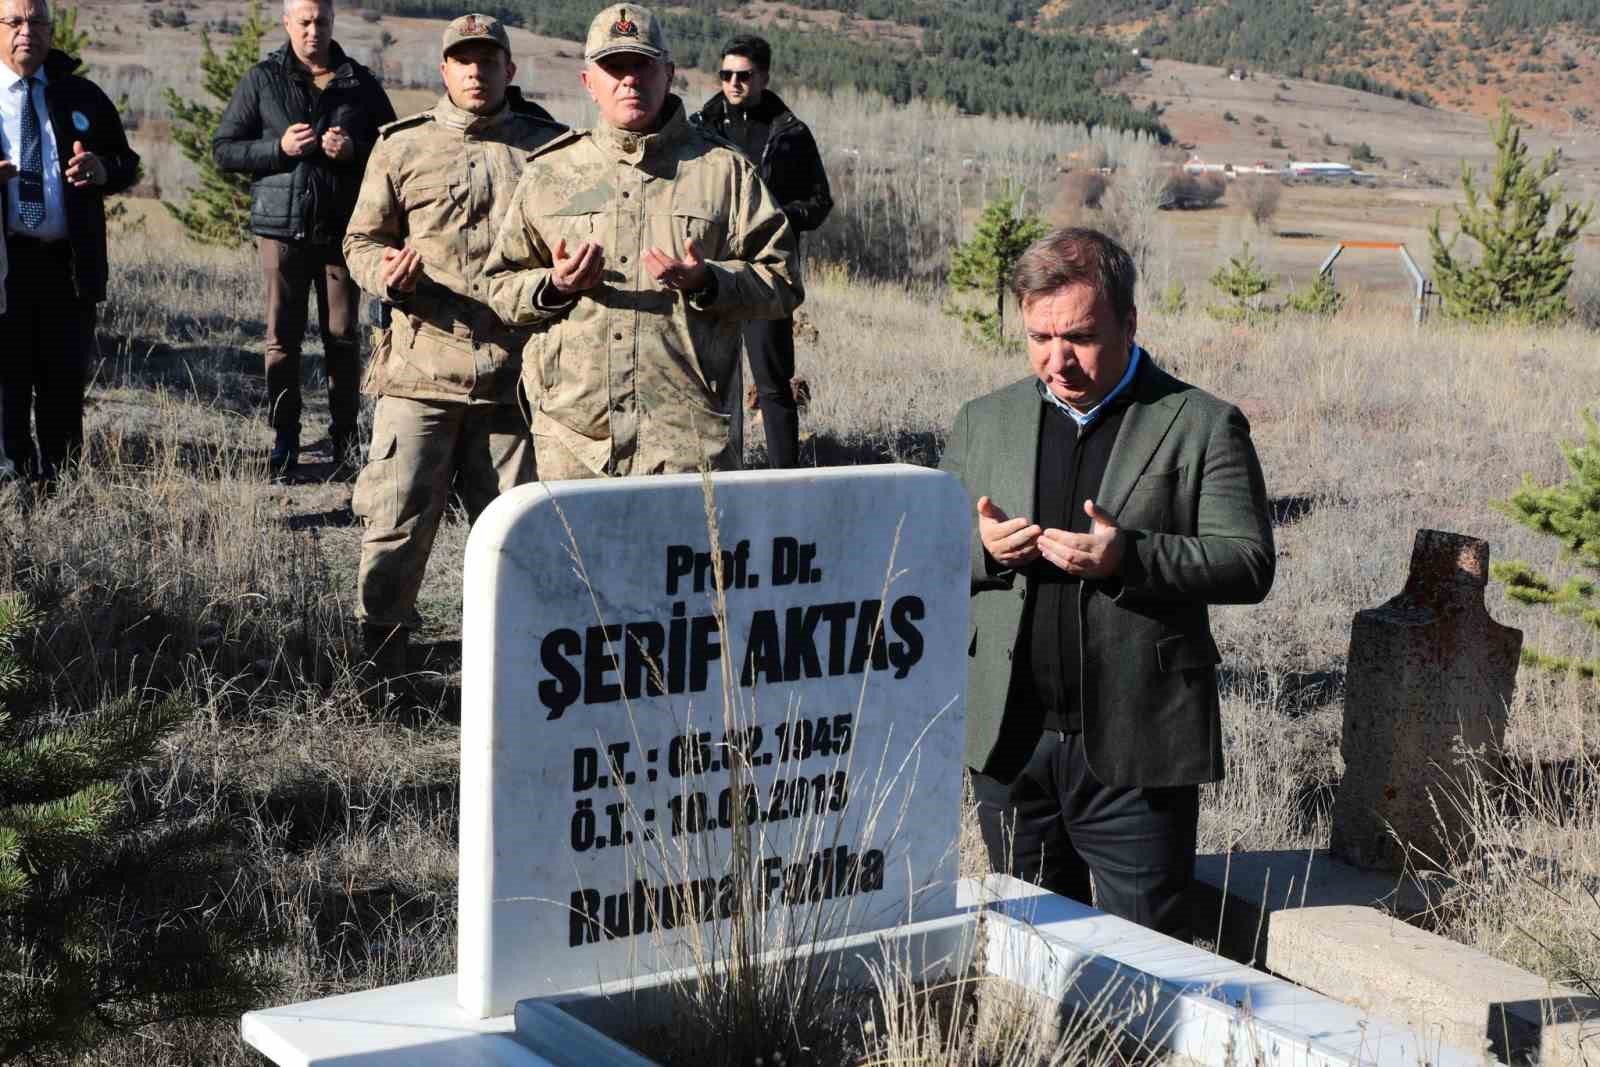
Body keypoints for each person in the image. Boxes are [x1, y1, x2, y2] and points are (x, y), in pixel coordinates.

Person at [939, 228, 1274, 941]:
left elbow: (1248, 562)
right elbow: (921, 555)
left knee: (1143, 962)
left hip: (1135, 750)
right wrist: (984, 551)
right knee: (1027, 950)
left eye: (1081, 337)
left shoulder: (1201, 424)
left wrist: (1131, 557)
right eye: (1039, 336)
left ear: (1129, 322)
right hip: (1011, 744)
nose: (1057, 361)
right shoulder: (983, 421)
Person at [484, 3, 801, 480]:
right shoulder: (549, 174)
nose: (629, 79)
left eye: (642, 65)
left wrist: (708, 282)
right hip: (574, 441)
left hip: (689, 441)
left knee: (689, 557)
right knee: (577, 557)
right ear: (589, 81)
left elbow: (782, 280)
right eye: (614, 67)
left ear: (668, 73)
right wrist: (553, 286)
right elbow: (499, 286)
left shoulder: (723, 171)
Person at [341, 14, 565, 679]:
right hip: (419, 372)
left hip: (515, 380)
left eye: (488, 60)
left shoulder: (549, 150)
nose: (475, 71)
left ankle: (514, 670)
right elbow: (361, 240)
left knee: (518, 533)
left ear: (509, 71)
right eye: (462, 60)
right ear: (444, 70)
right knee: (396, 522)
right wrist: (383, 272)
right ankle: (383, 669)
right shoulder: (400, 148)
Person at [214, 0, 393, 479]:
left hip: (342, 233)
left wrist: (355, 149)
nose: (314, 31)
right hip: (282, 232)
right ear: (288, 24)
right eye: (305, 22)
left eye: (323, 22)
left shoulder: (358, 81)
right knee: (282, 339)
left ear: (333, 23)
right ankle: (285, 441)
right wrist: (279, 148)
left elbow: (395, 149)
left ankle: (346, 441)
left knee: (342, 338)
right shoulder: (263, 79)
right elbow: (225, 150)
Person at [0, 0, 139, 482]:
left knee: (61, 382)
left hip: (67, 266)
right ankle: (12, 481)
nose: (26, 32)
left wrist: (103, 169)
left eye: (37, 21)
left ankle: (62, 483)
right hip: (4, 266)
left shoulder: (80, 95)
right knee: (6, 383)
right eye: (14, 21)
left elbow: (127, 162)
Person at [691, 34, 831, 469]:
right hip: (709, 269)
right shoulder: (700, 128)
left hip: (767, 273)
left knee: (772, 384)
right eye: (725, 74)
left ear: (763, 77)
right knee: (704, 381)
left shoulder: (790, 133)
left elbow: (819, 202)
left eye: (744, 75)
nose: (733, 83)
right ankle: (712, 471)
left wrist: (776, 218)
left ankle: (783, 478)